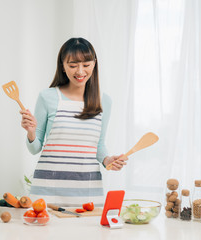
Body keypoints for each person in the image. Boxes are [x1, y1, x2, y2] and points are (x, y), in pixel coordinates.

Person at [20, 37, 127, 206]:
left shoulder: (104, 101)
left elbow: (98, 146)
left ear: (94, 64)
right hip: (48, 191)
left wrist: (108, 161)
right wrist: (31, 132)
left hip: (87, 191)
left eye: (86, 65)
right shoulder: (47, 97)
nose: (80, 71)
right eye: (72, 65)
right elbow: (35, 148)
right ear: (62, 65)